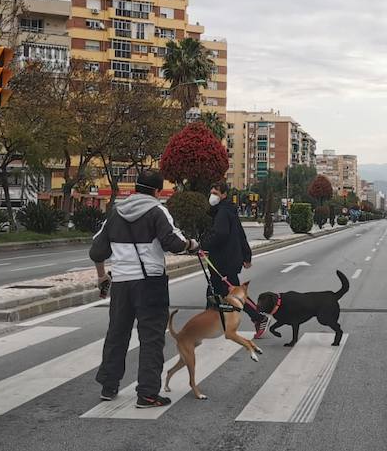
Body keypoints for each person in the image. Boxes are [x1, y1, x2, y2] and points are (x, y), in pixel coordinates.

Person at [90, 169, 198, 408]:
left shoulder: (116, 212)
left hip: (120, 284)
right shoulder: (158, 211)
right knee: (151, 338)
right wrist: (191, 244)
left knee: (117, 334)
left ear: (136, 188)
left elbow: (97, 251)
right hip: (150, 284)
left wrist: (101, 277)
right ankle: (147, 394)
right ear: (158, 191)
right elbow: (173, 243)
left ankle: (109, 387)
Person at [205, 182, 270, 338]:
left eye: (216, 193)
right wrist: (246, 255)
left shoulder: (222, 212)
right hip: (227, 260)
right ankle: (210, 324)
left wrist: (203, 244)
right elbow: (240, 234)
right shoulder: (228, 211)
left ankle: (259, 317)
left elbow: (221, 235)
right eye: (211, 192)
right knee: (214, 292)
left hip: (224, 261)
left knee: (231, 294)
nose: (212, 196)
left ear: (224, 195)